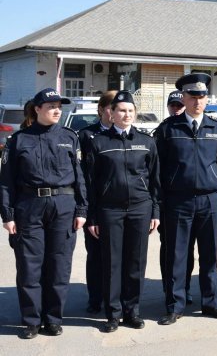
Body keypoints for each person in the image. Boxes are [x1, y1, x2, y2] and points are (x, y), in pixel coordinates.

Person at [1, 88, 87, 339]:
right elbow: (6, 181)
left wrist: (82, 209)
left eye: (59, 106)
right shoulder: (19, 140)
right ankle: (31, 320)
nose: (57, 110)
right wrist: (8, 215)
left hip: (63, 205)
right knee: (29, 266)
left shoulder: (70, 137)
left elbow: (80, 177)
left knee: (59, 266)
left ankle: (52, 319)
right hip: (29, 206)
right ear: (37, 109)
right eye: (51, 106)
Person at [155, 73, 217, 325]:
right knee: (177, 254)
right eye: (193, 96)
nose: (198, 101)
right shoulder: (168, 129)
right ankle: (175, 305)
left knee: (209, 254)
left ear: (207, 99)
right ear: (184, 98)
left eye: (202, 96)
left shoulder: (216, 128)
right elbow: (158, 168)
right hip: (179, 200)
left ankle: (211, 302)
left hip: (209, 200)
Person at [84, 91, 160, 332]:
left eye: (130, 110)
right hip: (110, 211)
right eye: (121, 111)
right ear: (112, 114)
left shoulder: (146, 141)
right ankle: (113, 314)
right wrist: (93, 216)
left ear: (134, 114)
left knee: (135, 263)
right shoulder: (99, 142)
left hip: (140, 209)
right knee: (112, 264)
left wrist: (155, 212)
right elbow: (90, 183)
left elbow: (155, 180)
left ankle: (132, 311)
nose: (126, 114)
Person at [78, 89, 117, 314]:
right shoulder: (86, 136)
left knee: (118, 256)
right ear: (102, 109)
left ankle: (115, 297)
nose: (116, 113)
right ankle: (96, 298)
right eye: (112, 108)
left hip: (121, 205)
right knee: (96, 255)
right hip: (95, 203)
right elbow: (82, 175)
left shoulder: (128, 135)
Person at [157, 91, 197, 305]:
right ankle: (169, 287)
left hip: (193, 199)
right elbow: (157, 167)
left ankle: (186, 287)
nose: (176, 108)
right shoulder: (164, 130)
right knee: (171, 249)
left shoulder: (196, 126)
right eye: (173, 105)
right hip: (170, 199)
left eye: (179, 105)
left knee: (188, 248)